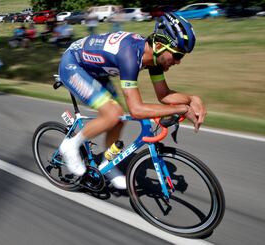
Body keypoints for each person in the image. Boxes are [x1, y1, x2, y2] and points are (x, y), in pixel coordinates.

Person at [58, 13, 206, 189]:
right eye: (177, 55)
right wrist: (179, 109)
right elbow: (136, 110)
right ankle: (70, 145)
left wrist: (192, 99)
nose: (178, 62)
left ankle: (107, 164)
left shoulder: (154, 58)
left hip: (97, 72)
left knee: (118, 120)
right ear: (159, 45)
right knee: (113, 113)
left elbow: (164, 95)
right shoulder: (129, 55)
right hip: (73, 64)